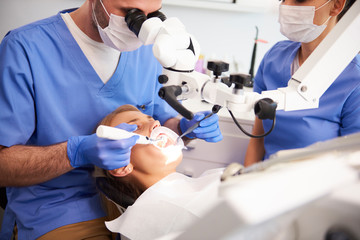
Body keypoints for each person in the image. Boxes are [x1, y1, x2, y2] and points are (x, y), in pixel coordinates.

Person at [0, 0, 223, 239]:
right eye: (131, 14)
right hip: (59, 210)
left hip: (137, 203)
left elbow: (156, 120)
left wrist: (180, 127)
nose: (142, 27)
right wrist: (73, 153)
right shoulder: (26, 48)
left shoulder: (147, 50)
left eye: (152, 15)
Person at [245, 0, 360, 166]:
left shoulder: (354, 79)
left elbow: (352, 163)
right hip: (263, 181)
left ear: (336, 5)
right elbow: (257, 140)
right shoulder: (274, 57)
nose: (287, 6)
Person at [92, 104, 224, 240]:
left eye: (151, 119)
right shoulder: (147, 224)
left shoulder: (211, 180)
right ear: (121, 167)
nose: (156, 123)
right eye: (136, 127)